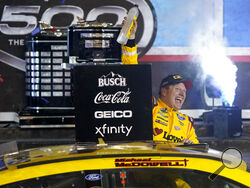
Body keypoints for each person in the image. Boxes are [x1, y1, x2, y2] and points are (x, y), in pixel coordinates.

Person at [121, 19, 199, 144]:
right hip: (147, 161)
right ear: (164, 91)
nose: (182, 94)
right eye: (177, 89)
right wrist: (130, 40)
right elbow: (132, 74)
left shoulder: (187, 122)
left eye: (184, 91)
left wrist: (192, 146)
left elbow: (198, 150)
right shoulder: (149, 107)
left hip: (175, 162)